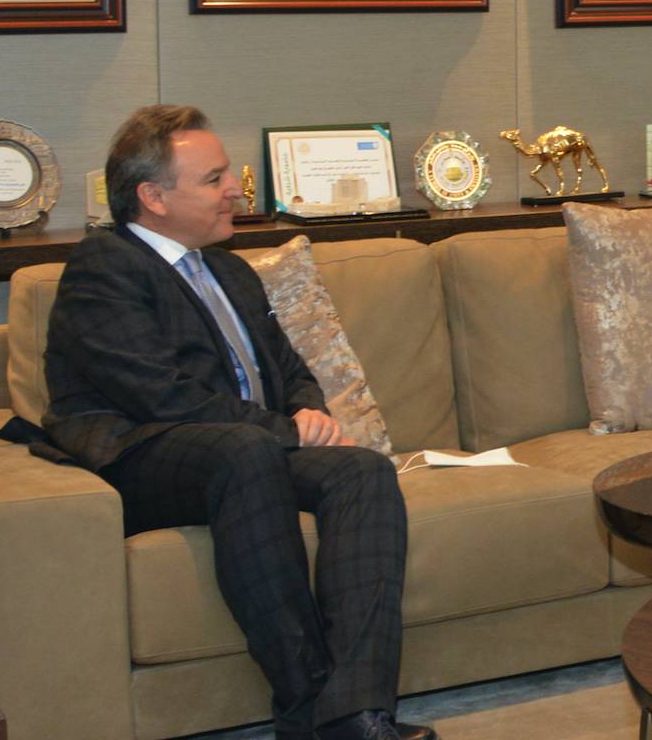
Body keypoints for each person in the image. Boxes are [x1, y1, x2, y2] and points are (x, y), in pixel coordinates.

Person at [40, 105, 432, 740]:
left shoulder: (229, 268)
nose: (235, 189)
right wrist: (284, 432)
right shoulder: (104, 266)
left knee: (361, 470)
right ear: (153, 197)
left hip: (245, 448)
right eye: (214, 178)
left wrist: (306, 409)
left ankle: (355, 712)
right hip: (141, 455)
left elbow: (289, 365)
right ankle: (306, 704)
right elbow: (160, 396)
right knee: (245, 451)